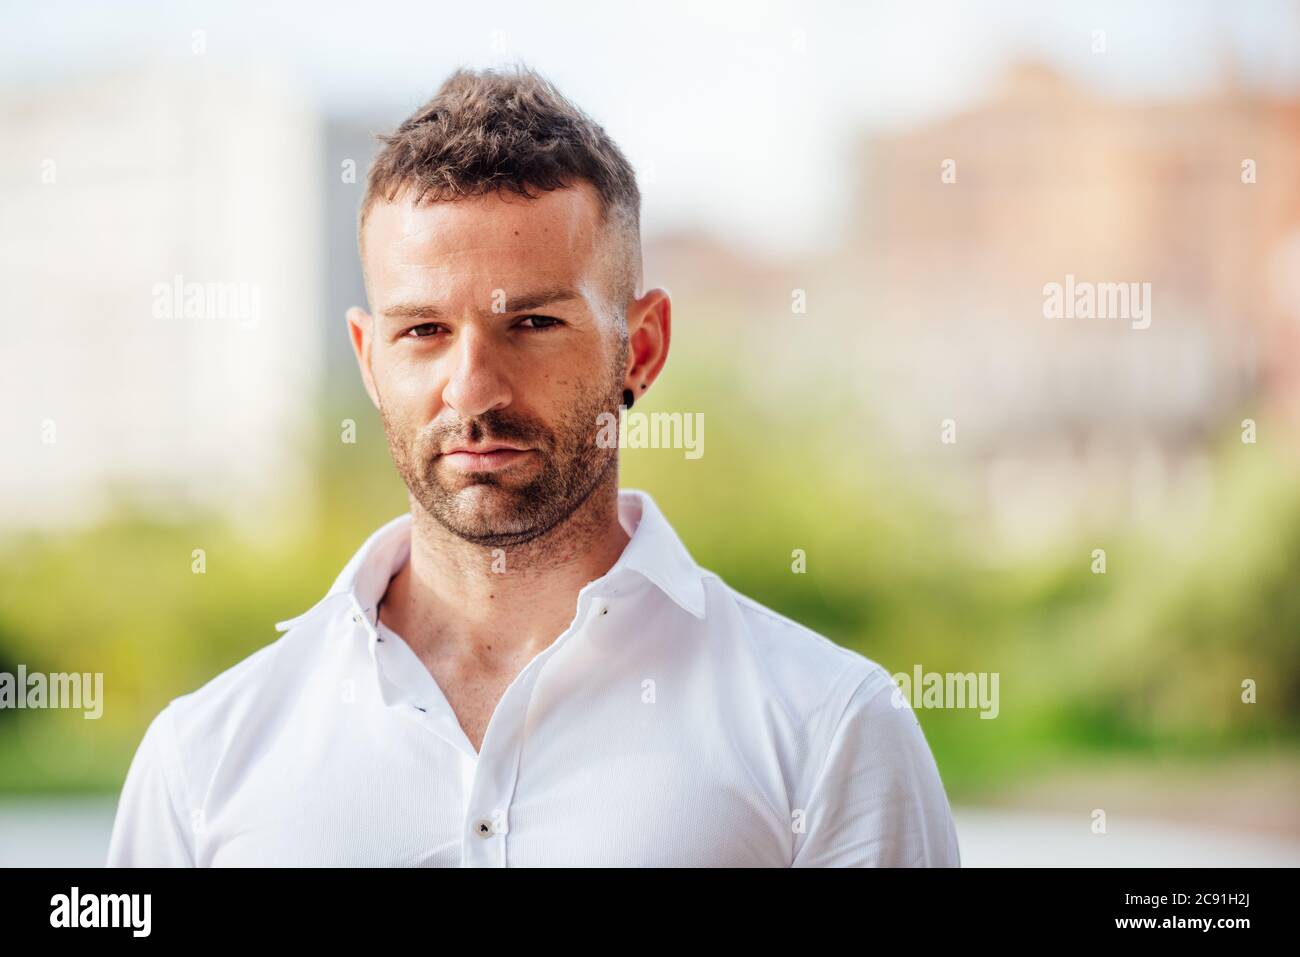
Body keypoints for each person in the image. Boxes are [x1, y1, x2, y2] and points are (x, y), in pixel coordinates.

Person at [107, 65, 960, 867]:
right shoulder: (201, 763)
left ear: (644, 346)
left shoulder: (830, 728)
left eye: (534, 324)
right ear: (370, 360)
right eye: (423, 331)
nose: (472, 388)